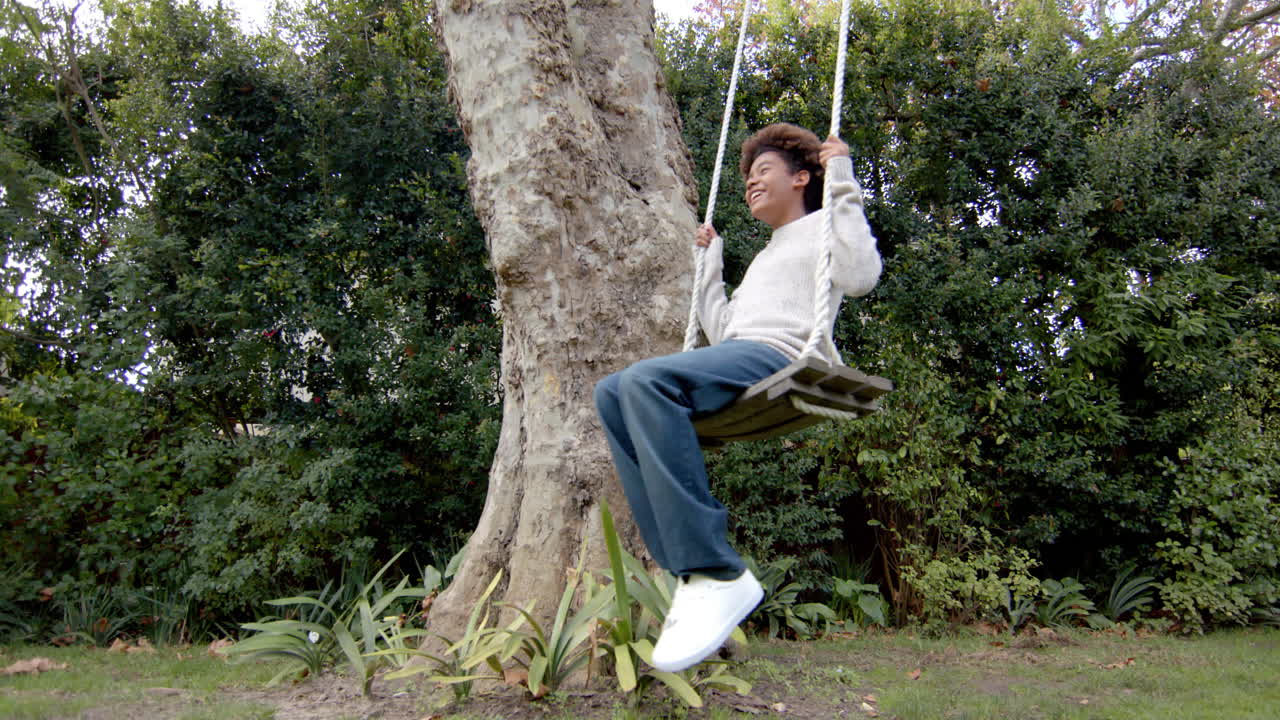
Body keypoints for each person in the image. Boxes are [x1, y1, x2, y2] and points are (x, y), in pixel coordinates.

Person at [593, 123, 882, 672]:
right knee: (612, 393)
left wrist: (841, 174)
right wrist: (712, 264)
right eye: (747, 176)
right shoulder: (768, 254)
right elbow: (722, 334)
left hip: (783, 355)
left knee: (646, 380)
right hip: (744, 356)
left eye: (763, 171)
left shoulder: (826, 225)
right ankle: (692, 574)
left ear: (802, 177)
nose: (751, 182)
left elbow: (862, 274)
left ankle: (716, 570)